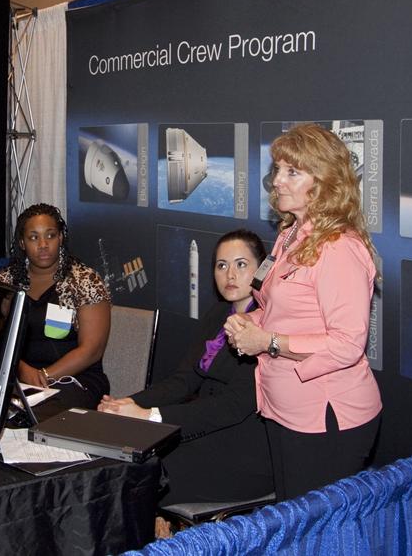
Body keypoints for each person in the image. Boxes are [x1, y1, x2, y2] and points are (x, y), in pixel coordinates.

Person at [225, 123, 382, 501]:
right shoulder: (291, 234)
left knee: (313, 533)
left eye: (292, 171)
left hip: (327, 418)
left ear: (325, 182)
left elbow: (347, 344)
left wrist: (268, 341)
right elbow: (278, 308)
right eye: (277, 169)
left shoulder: (339, 248)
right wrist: (252, 322)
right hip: (283, 407)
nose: (277, 180)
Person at [98, 229, 274, 510]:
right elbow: (183, 381)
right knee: (126, 460)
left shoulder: (269, 325)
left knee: (145, 473)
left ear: (262, 269)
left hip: (244, 452)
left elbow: (232, 406)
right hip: (204, 433)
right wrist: (129, 403)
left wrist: (149, 416)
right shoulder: (217, 314)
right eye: (221, 265)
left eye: (241, 264)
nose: (230, 275)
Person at [0, 203, 111, 410]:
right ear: (22, 243)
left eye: (50, 235)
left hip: (74, 380)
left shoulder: (84, 281)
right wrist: (20, 369)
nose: (43, 244)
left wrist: (43, 377)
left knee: (37, 416)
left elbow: (92, 350)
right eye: (33, 237)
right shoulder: (6, 281)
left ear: (61, 238)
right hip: (18, 376)